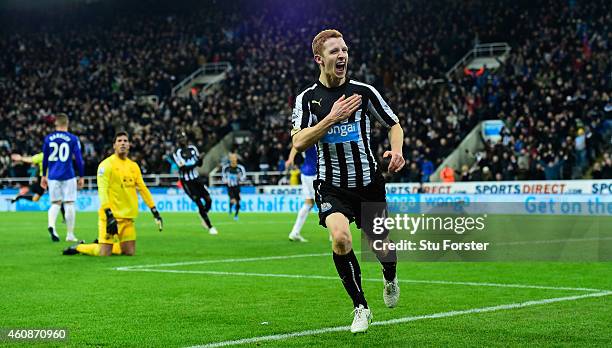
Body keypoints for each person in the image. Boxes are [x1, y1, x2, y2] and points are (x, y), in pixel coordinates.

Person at [291, 29, 405, 333]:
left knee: (381, 246)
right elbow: (299, 142)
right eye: (334, 51)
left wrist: (397, 150)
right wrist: (330, 118)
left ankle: (390, 275)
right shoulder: (308, 99)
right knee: (340, 238)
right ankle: (360, 307)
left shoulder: (363, 92)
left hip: (368, 183)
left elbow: (394, 124)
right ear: (319, 59)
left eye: (345, 50)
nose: (342, 55)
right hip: (331, 185)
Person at [63, 131, 163, 256]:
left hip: (127, 219)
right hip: (110, 217)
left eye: (125, 141)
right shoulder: (106, 165)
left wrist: (154, 210)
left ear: (129, 145)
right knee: (103, 253)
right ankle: (80, 247)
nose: (122, 143)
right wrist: (108, 213)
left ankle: (106, 243)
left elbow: (143, 189)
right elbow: (103, 190)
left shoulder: (133, 166)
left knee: (128, 252)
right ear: (114, 145)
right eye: (119, 141)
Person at [41, 114, 84, 242]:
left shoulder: (48, 139)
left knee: (55, 203)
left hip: (53, 175)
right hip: (68, 174)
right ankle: (70, 234)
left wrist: (44, 175)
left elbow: (45, 159)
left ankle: (52, 225)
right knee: (69, 203)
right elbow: (79, 159)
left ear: (56, 124)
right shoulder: (73, 138)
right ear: (67, 123)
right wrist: (81, 175)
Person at [173, 130, 218, 235]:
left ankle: (203, 214)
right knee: (198, 202)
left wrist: (200, 159)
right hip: (187, 182)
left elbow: (200, 164)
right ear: (178, 141)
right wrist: (197, 162)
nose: (182, 140)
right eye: (180, 138)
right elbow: (183, 168)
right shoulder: (177, 152)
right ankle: (210, 226)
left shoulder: (193, 149)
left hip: (196, 178)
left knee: (208, 200)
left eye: (183, 137)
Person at [10, 152, 67, 222]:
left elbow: (31, 159)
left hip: (51, 179)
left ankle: (20, 196)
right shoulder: (45, 155)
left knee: (36, 198)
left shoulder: (50, 155)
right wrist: (21, 158)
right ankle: (65, 218)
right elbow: (31, 159)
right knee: (58, 199)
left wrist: (21, 158)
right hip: (43, 180)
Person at [285, 146, 317, 242]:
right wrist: (291, 159)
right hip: (314, 174)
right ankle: (334, 234)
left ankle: (294, 232)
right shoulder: (316, 136)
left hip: (305, 173)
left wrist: (290, 159)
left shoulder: (307, 136)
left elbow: (296, 144)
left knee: (309, 204)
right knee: (325, 203)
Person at [221, 153, 246, 221]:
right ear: (230, 159)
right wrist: (226, 180)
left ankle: (236, 215)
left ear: (236, 159)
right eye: (231, 158)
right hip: (230, 187)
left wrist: (240, 178)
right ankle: (230, 208)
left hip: (237, 187)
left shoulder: (240, 168)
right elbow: (223, 177)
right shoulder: (226, 168)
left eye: (234, 158)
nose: (233, 159)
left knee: (238, 202)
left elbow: (244, 177)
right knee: (233, 200)